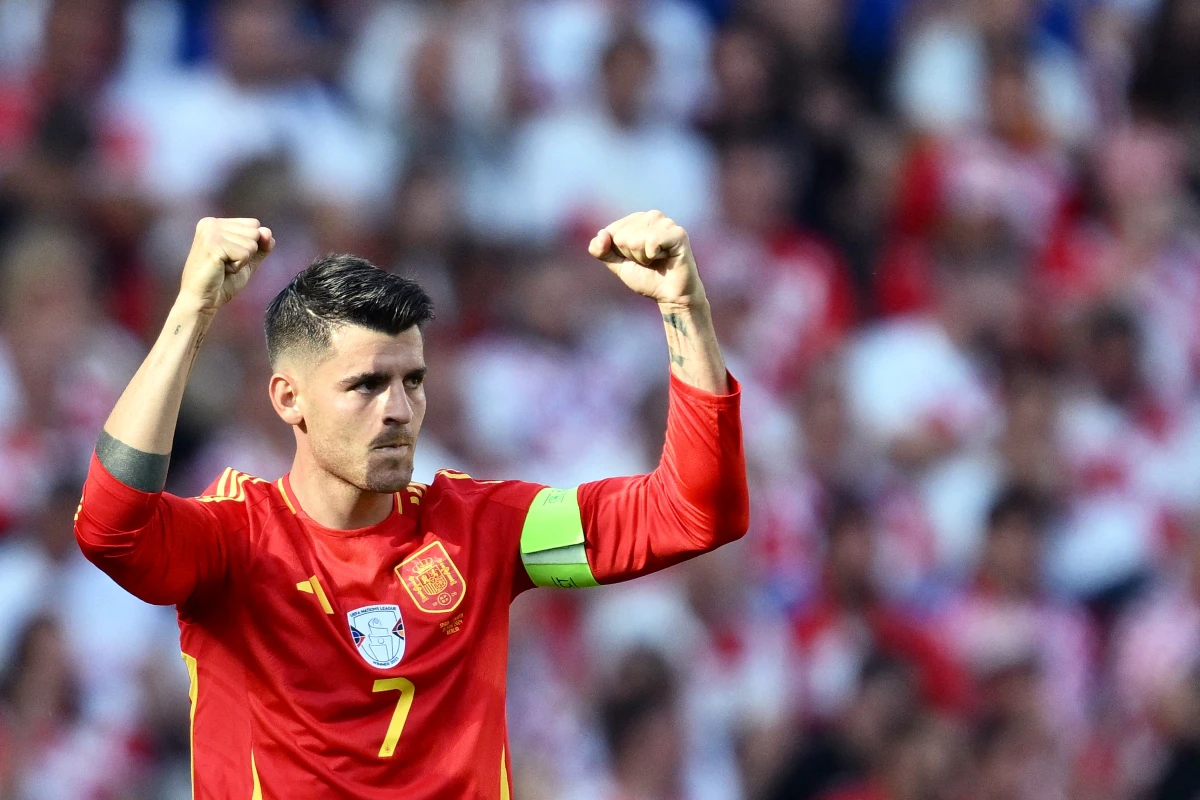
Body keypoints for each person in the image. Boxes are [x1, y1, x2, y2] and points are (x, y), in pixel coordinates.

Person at [73, 211, 749, 797]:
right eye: (366, 385)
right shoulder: (235, 543)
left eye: (413, 381)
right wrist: (191, 313)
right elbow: (110, 529)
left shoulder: (484, 533)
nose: (399, 411)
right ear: (288, 399)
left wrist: (686, 311)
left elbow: (692, 513)